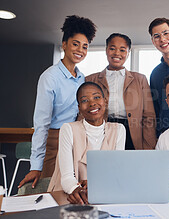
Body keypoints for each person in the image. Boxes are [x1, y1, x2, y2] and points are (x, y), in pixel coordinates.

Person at [19, 15, 97, 189]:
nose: (80, 50)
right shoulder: (50, 77)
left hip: (76, 139)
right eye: (75, 44)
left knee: (74, 191)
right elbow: (41, 124)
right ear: (64, 44)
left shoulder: (81, 78)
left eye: (85, 46)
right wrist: (36, 166)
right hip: (55, 140)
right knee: (50, 192)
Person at [47, 82, 126, 204]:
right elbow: (67, 177)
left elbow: (116, 174)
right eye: (85, 100)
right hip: (71, 196)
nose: (92, 103)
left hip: (103, 195)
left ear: (105, 101)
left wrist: (94, 186)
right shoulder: (68, 129)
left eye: (96, 97)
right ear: (79, 107)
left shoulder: (119, 130)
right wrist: (79, 190)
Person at [86, 33, 156, 150]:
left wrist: (149, 147)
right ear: (106, 50)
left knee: (130, 167)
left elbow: (149, 116)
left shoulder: (140, 79)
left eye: (122, 50)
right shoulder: (90, 79)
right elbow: (84, 113)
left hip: (132, 134)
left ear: (128, 53)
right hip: (99, 132)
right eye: (112, 48)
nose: (117, 53)